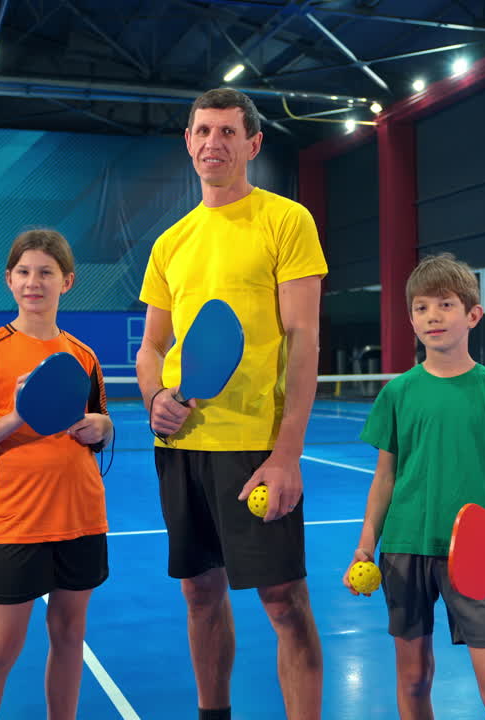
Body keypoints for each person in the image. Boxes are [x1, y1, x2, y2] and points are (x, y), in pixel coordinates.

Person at [135, 87, 327, 720]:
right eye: (201, 132)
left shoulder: (286, 221)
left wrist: (287, 454)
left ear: (253, 144)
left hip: (254, 446)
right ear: (187, 142)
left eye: (226, 132)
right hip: (182, 445)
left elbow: (302, 339)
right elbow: (153, 345)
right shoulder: (170, 242)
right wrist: (155, 396)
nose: (212, 143)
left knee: (284, 601)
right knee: (198, 594)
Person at [343, 253, 485, 720]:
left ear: (472, 315)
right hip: (405, 549)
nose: (433, 316)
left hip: (477, 552)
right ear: (411, 320)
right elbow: (385, 477)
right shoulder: (397, 393)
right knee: (413, 682)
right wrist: (365, 545)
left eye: (446, 305)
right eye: (422, 307)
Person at [0, 229, 113, 720]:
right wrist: (19, 415)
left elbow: (100, 425)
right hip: (22, 522)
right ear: (8, 279)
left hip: (83, 516)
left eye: (46, 272)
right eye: (23, 271)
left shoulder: (83, 356)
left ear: (67, 281)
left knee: (69, 636)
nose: (33, 282)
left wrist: (102, 427)